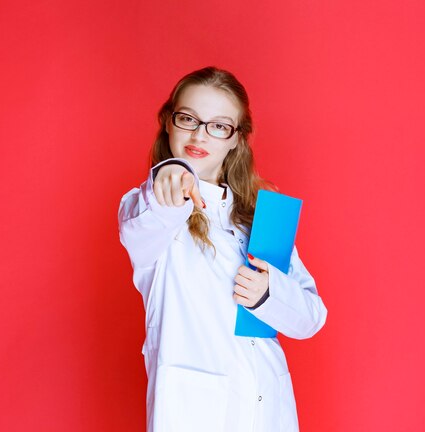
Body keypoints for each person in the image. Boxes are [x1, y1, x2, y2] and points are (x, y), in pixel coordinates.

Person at [118, 66, 327, 432]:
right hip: (194, 414)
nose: (200, 134)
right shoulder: (152, 207)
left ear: (236, 139)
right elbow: (153, 215)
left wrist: (268, 294)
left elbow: (311, 318)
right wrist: (169, 171)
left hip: (268, 408)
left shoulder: (260, 218)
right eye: (188, 119)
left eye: (218, 126)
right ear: (169, 122)